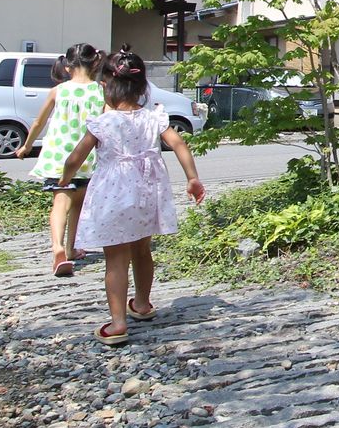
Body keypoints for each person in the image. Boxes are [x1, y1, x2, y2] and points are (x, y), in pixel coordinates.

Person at [57, 45, 204, 345]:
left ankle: (117, 324)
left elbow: (75, 157)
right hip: (147, 193)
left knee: (116, 258)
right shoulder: (154, 118)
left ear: (106, 85)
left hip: (114, 195)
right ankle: (141, 304)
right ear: (141, 87)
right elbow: (180, 145)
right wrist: (193, 179)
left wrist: (64, 179)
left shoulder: (103, 122)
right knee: (142, 250)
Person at [15, 43, 104, 277]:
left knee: (60, 204)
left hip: (58, 157)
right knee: (78, 205)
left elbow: (39, 122)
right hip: (88, 157)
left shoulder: (59, 91)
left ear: (67, 67)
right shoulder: (101, 90)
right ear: (95, 63)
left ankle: (57, 248)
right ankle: (72, 248)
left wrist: (26, 146)